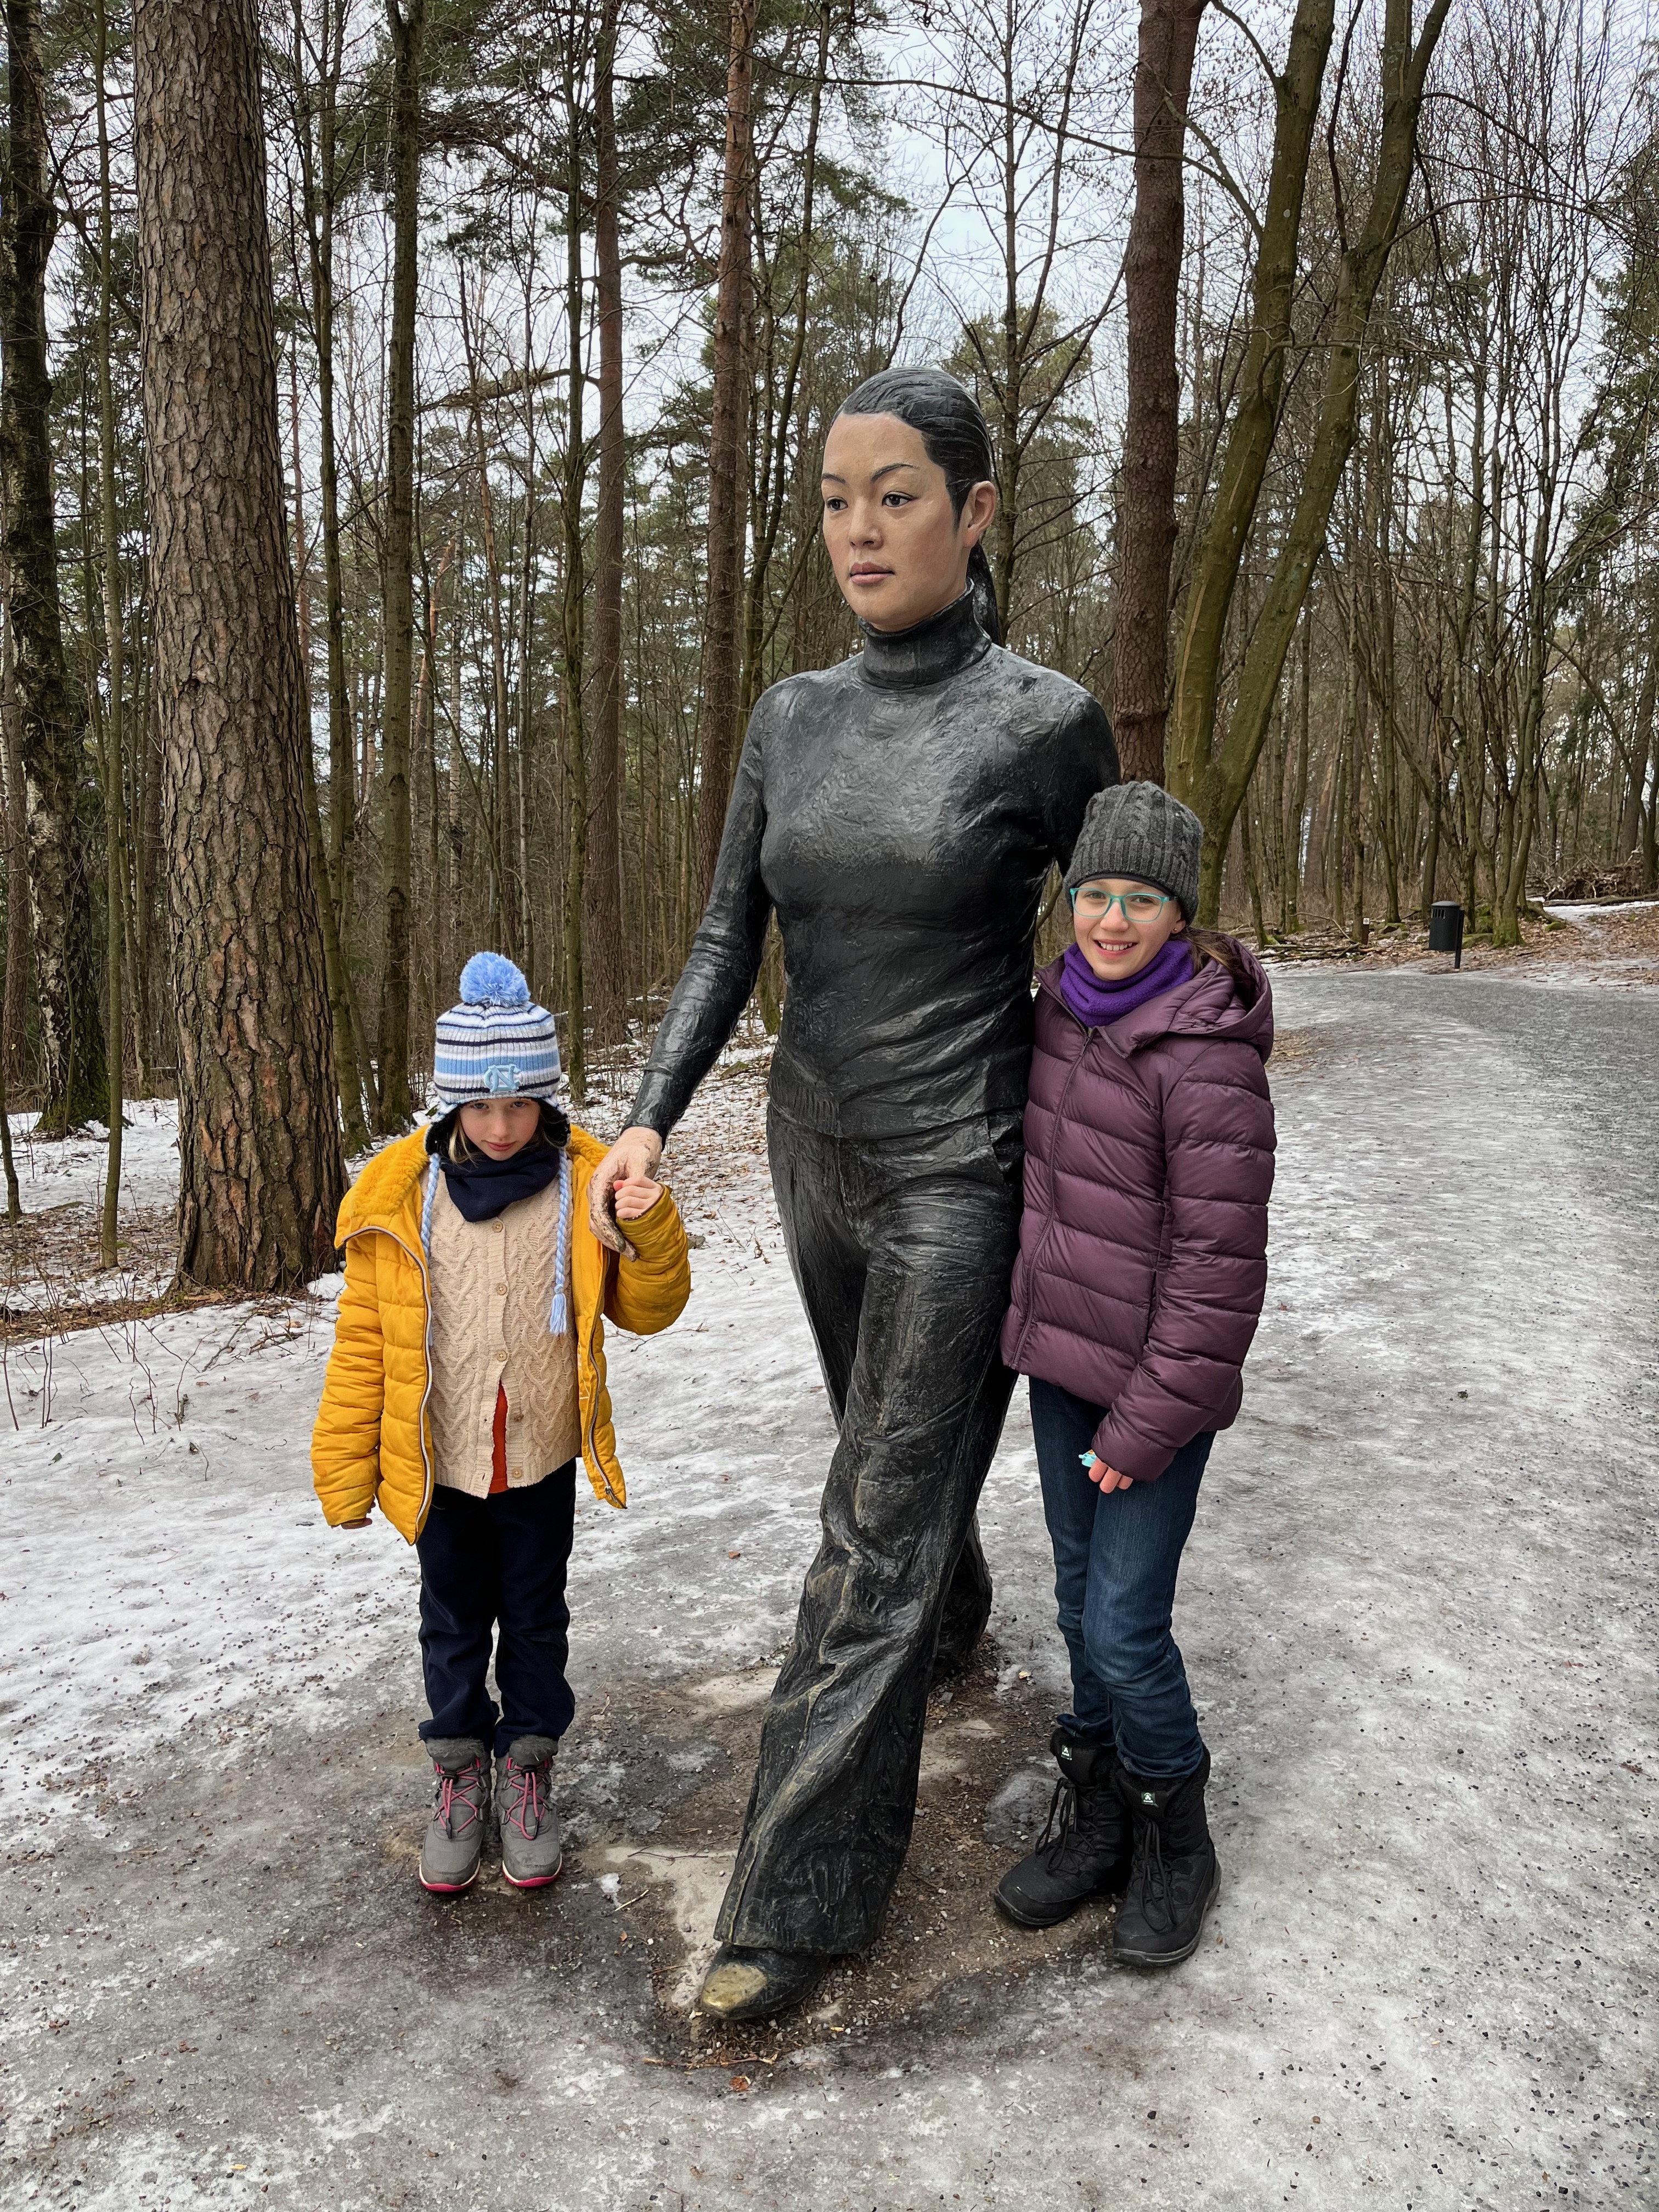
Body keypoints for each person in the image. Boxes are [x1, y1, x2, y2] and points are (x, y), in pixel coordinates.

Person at [588, 366, 1118, 2021]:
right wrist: (649, 1118)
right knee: (888, 1467)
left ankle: (796, 1894)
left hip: (964, 1161)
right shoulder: (791, 719)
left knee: (870, 1519)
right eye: (835, 500)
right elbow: (723, 935)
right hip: (811, 1152)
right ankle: (950, 1621)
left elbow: (1128, 940)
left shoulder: (1045, 724)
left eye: (897, 496)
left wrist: (1153, 1144)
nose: (860, 530)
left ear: (975, 510)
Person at [311, 953, 690, 1896]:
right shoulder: (403, 1197)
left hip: (540, 1456)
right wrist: (346, 1466)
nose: (501, 1125)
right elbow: (364, 1341)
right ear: (452, 1103)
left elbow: (649, 1310)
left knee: (533, 1618)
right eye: (481, 1106)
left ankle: (526, 1768)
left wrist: (648, 1229)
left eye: (520, 1103)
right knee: (450, 1624)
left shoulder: (586, 1182)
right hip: (438, 1460)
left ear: (544, 1096)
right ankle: (457, 1774)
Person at [994, 782, 1274, 1966]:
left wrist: (1143, 1424)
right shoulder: (1055, 1011)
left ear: (1180, 914)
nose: (1112, 920)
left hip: (1157, 1398)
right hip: (1064, 1367)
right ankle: (1102, 1813)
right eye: (1096, 893)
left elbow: (1221, 1275)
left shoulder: (1206, 1058)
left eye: (1142, 900)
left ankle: (1176, 1836)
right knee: (1076, 1603)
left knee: (1123, 1625)